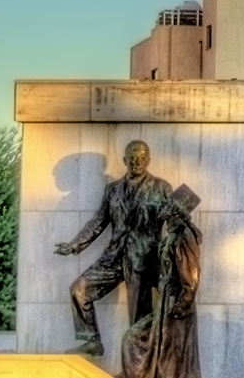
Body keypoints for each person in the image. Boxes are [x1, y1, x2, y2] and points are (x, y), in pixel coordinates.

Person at [56, 140, 167, 359]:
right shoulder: (113, 189)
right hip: (114, 257)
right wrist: (75, 244)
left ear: (148, 160)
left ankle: (138, 368)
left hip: (143, 260)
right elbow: (98, 222)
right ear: (125, 160)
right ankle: (92, 341)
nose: (136, 161)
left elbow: (175, 221)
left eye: (141, 157)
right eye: (132, 157)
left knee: (138, 319)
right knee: (79, 290)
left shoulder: (161, 188)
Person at [120, 178, 206, 378]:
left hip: (175, 306)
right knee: (141, 342)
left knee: (179, 360)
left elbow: (191, 276)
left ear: (175, 211)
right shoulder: (172, 235)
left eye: (168, 205)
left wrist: (181, 305)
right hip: (166, 303)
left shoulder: (182, 237)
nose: (164, 207)